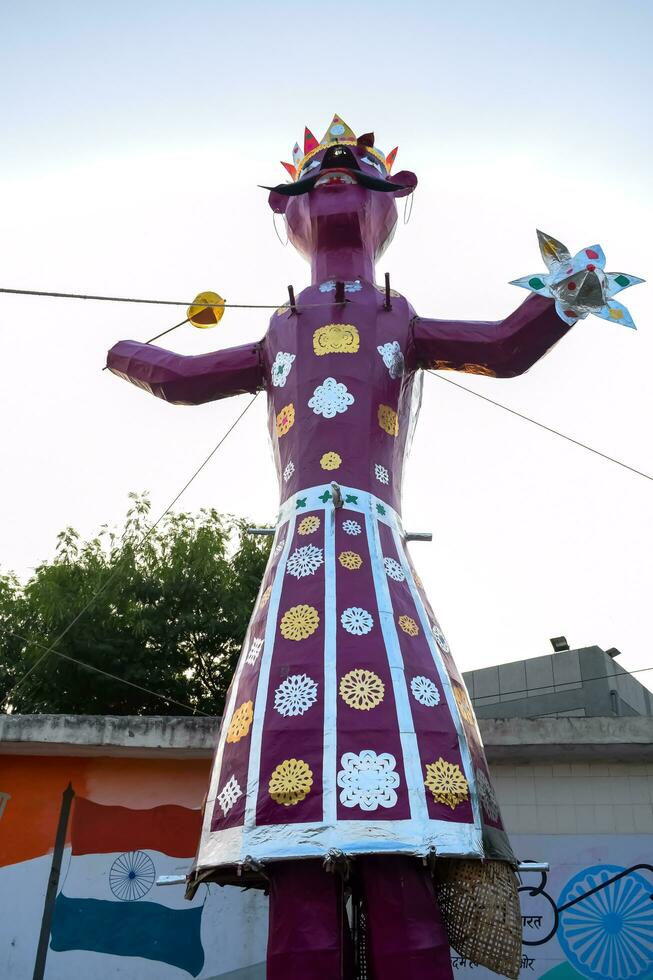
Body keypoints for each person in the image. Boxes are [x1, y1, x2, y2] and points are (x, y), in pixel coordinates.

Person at [107, 115, 573, 979]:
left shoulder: (400, 318)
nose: (333, 176)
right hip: (300, 563)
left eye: (354, 168)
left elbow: (505, 348)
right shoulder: (279, 331)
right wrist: (131, 353)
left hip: (373, 551)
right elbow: (180, 380)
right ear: (284, 211)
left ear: (392, 203)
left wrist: (567, 291)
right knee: (296, 858)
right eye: (315, 171)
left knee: (401, 844)